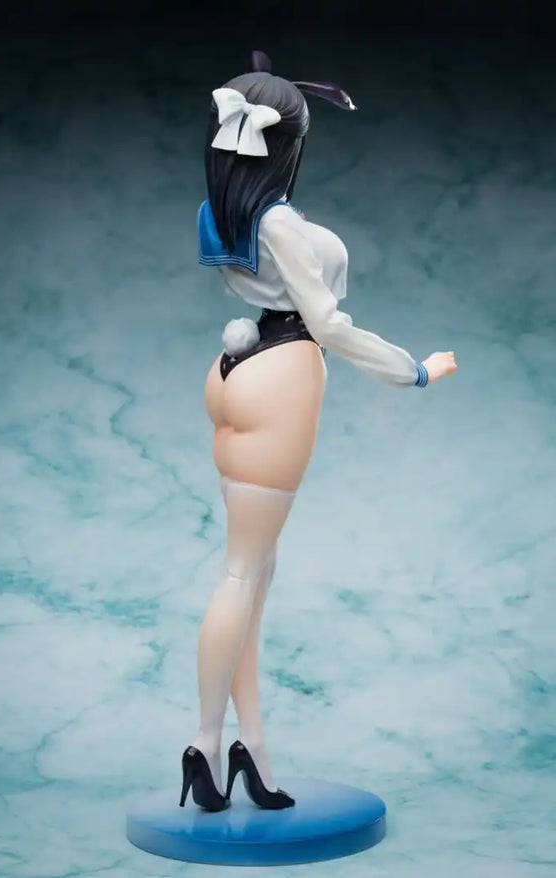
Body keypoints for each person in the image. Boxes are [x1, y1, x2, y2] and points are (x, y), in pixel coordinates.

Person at [179, 52, 457, 813]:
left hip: (233, 369)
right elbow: (328, 325)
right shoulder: (276, 222)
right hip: (283, 374)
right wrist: (414, 370)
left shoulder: (225, 209)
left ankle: (252, 750)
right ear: (289, 146)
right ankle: (203, 743)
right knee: (242, 573)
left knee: (255, 574)